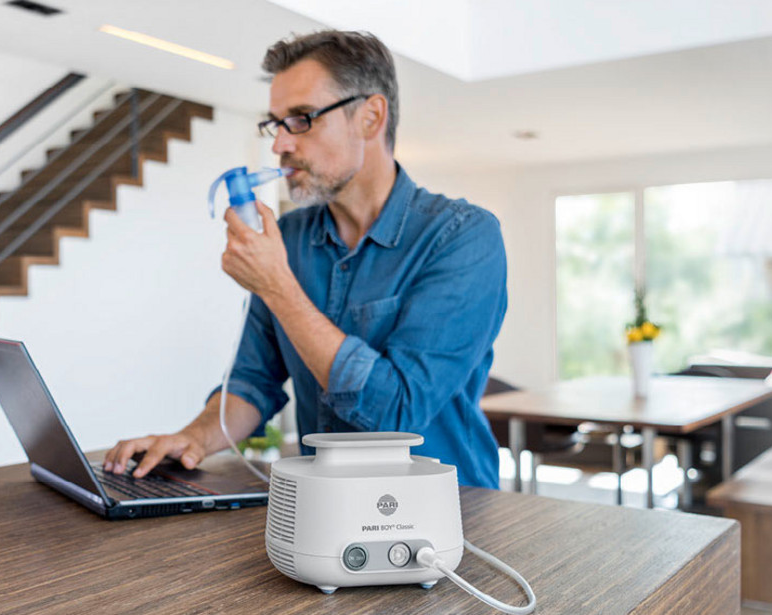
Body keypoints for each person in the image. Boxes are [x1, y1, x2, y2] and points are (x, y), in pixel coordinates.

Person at [103, 30, 508, 489]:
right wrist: (190, 438)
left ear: (370, 118)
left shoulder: (463, 236)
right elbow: (253, 382)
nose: (279, 144)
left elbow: (397, 414)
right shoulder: (290, 238)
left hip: (449, 515)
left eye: (301, 119)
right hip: (324, 508)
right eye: (275, 123)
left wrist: (277, 286)